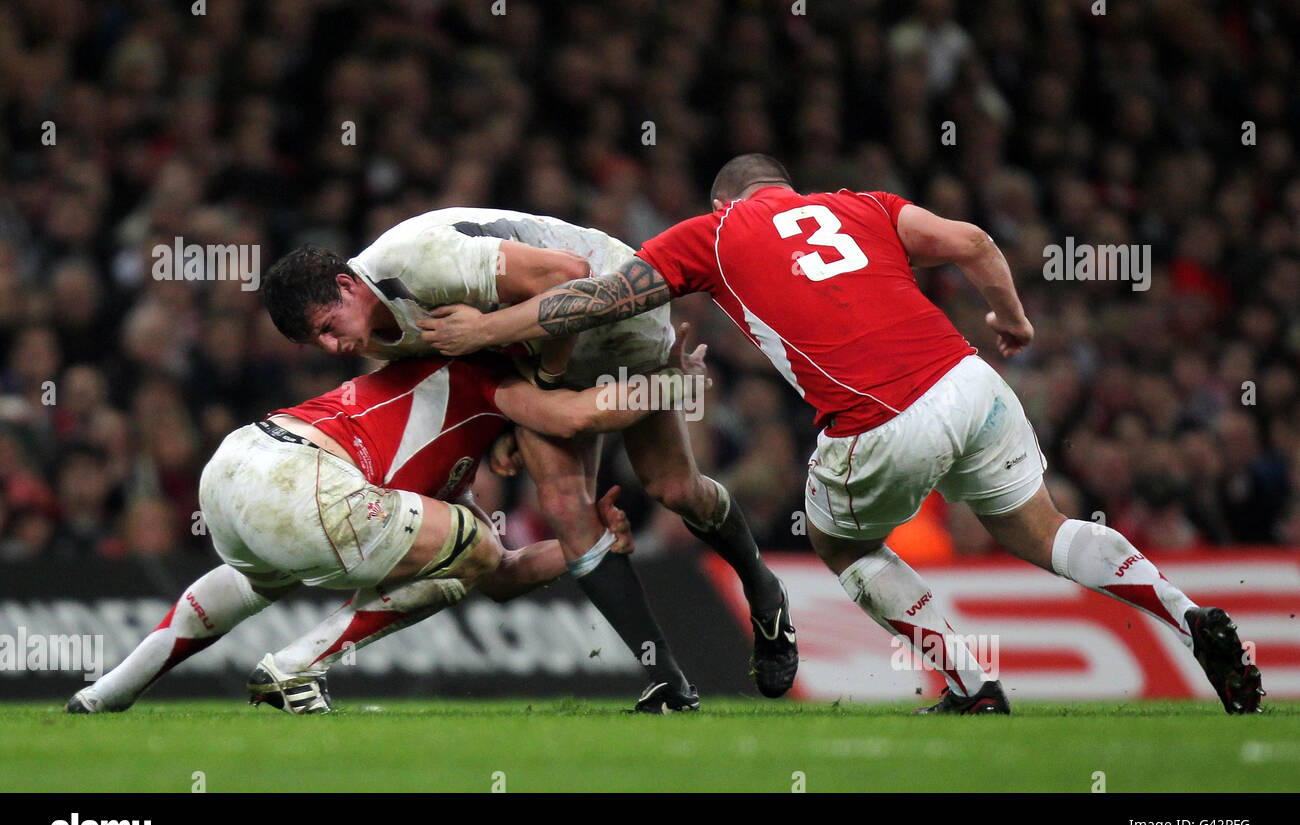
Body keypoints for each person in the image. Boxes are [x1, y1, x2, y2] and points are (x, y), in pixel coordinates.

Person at [419, 153, 1265, 715]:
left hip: (881, 417)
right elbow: (972, 242)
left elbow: (597, 299)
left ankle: (970, 678)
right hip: (971, 379)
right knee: (1044, 531)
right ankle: (1191, 617)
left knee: (837, 541)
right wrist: (1012, 319)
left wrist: (487, 333)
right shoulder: (862, 205)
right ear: (787, 190)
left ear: (726, 201)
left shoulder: (710, 234)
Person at [259, 208, 798, 710]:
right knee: (566, 506)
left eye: (329, 326)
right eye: (316, 343)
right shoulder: (377, 332)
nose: (332, 348)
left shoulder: (414, 260)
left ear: (348, 285)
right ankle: (670, 684)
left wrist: (530, 370)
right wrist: (506, 426)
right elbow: (476, 375)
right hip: (533, 349)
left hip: (613, 303)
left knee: (674, 489)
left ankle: (762, 587)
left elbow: (569, 274)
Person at [68, 338, 701, 714]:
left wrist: (580, 544)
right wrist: (669, 385)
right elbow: (571, 417)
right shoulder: (486, 380)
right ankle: (295, 666)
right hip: (305, 473)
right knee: (467, 548)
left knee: (257, 578)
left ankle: (107, 693)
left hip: (240, 463)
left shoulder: (449, 478)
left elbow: (501, 574)